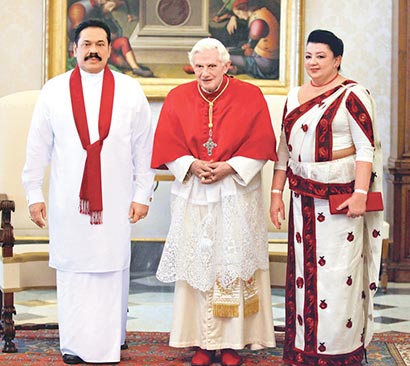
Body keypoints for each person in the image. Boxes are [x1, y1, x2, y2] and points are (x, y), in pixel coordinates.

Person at [22, 19, 155, 364]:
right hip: (69, 200)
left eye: (100, 44)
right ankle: (75, 344)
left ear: (111, 49)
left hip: (115, 198)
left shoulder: (129, 90)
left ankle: (111, 341)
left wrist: (143, 194)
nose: (93, 50)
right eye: (86, 44)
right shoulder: (53, 90)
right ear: (75, 49)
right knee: (75, 268)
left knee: (111, 267)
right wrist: (34, 193)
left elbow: (144, 148)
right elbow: (38, 147)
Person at [151, 37, 277, 366]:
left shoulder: (250, 95)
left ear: (226, 66)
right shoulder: (179, 96)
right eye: (199, 67)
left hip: (236, 191)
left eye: (211, 66)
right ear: (192, 68)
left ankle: (233, 342)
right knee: (197, 264)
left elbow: (262, 143)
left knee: (232, 265)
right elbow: (166, 144)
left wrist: (229, 167)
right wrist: (190, 164)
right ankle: (201, 342)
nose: (205, 73)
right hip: (194, 192)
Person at [269, 29, 384, 365]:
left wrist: (361, 194)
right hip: (302, 200)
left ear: (337, 59)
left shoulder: (352, 94)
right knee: (304, 278)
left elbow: (366, 148)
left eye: (321, 56)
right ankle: (304, 350)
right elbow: (283, 152)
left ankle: (339, 353)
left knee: (338, 278)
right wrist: (277, 194)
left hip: (341, 203)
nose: (313, 63)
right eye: (308, 56)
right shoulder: (294, 96)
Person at [67, 0, 154, 77]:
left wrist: (107, 17)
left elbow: (117, 33)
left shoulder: (101, 10)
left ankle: (135, 68)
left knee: (123, 41)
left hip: (102, 45)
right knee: (115, 58)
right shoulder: (79, 7)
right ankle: (124, 65)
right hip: (83, 50)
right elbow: (75, 33)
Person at [228, 0, 280, 79]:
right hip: (265, 58)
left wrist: (229, 51)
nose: (239, 17)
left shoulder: (257, 21)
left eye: (238, 13)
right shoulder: (262, 13)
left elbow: (248, 52)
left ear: (244, 8)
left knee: (225, 57)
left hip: (265, 63)